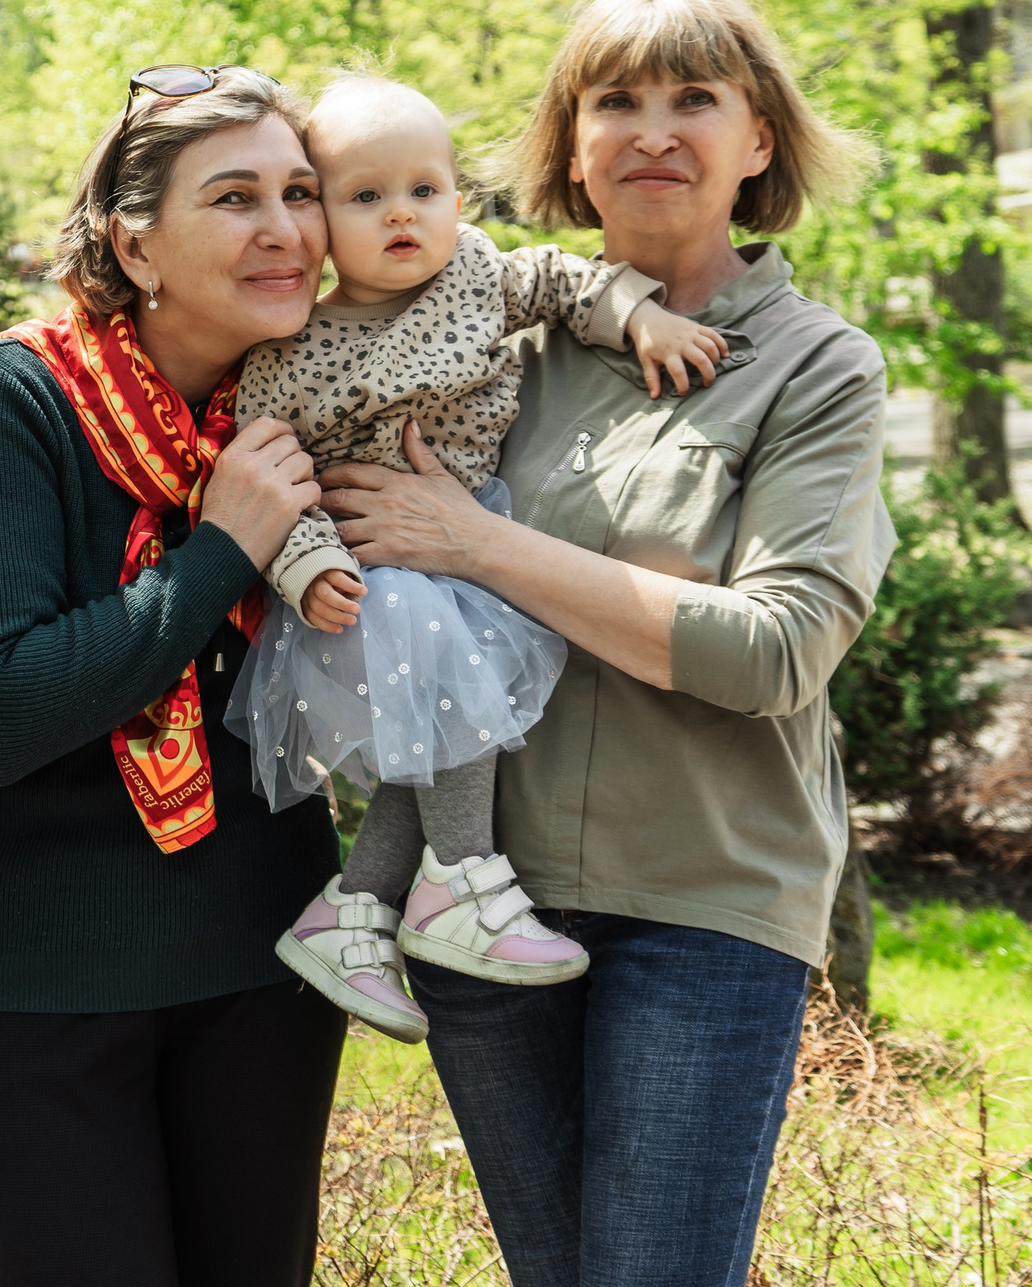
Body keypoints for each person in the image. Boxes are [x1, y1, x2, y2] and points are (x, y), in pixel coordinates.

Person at [316, 0, 893, 1287]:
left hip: (701, 905)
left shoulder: (817, 366)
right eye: (615, 101)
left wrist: (476, 541)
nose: (653, 131)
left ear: (759, 140)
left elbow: (775, 650)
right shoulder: (484, 342)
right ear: (571, 147)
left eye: (695, 98)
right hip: (487, 904)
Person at [0, 65, 347, 1287]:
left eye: (301, 192)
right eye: (235, 197)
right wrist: (222, 550)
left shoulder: (309, 401)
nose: (286, 228)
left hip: (267, 955)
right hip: (43, 980)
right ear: (134, 243)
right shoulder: (14, 400)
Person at [229, 75, 729, 1045]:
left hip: (468, 545)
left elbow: (569, 283)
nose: (401, 214)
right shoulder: (289, 348)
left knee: (439, 740)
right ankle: (461, 879)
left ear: (459, 200)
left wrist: (642, 318)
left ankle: (352, 912)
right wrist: (305, 565)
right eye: (365, 196)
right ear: (318, 219)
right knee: (453, 716)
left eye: (424, 190)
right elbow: (269, 475)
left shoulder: (479, 273)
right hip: (368, 572)